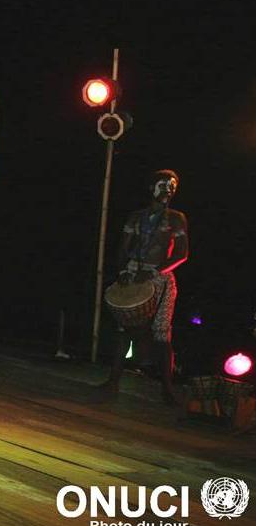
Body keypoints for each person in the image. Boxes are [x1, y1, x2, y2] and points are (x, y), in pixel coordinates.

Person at [100, 169, 189, 404]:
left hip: (160, 277)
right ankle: (113, 381)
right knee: (124, 329)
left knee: (161, 334)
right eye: (163, 184)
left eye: (172, 186)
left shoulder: (176, 218)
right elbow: (123, 248)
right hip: (132, 271)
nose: (168, 189)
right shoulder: (136, 217)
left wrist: (153, 272)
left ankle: (167, 389)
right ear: (151, 188)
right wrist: (123, 272)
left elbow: (182, 254)